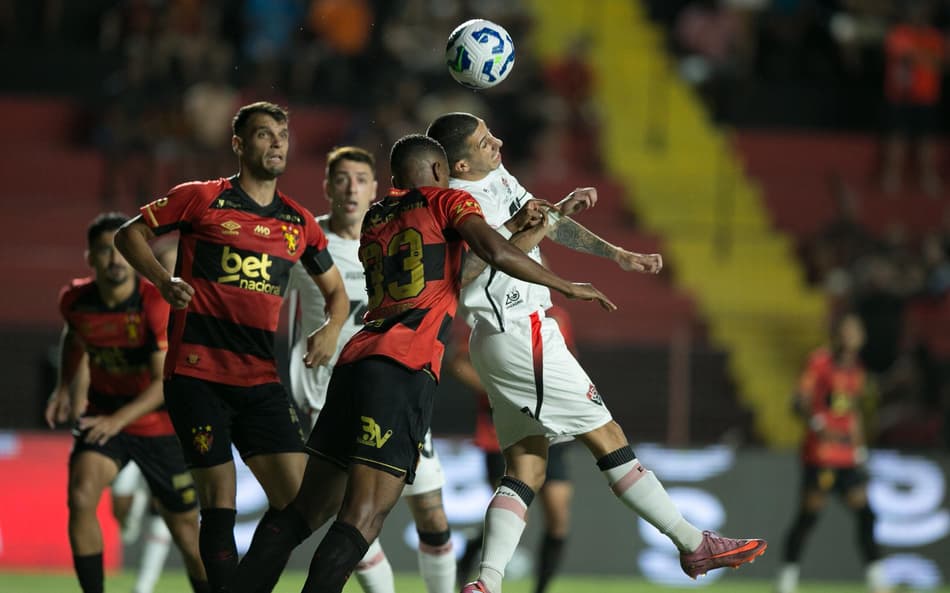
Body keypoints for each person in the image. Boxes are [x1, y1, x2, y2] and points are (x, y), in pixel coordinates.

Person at [227, 133, 614, 593]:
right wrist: (566, 284)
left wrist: (534, 223)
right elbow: (492, 254)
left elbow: (462, 269)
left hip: (355, 361)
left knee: (303, 512)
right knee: (363, 516)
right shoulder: (447, 201)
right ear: (437, 172)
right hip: (401, 368)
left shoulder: (377, 216)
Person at [426, 112, 768, 593]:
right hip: (518, 329)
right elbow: (465, 277)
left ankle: (486, 583)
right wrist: (534, 244)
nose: (498, 141)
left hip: (505, 337)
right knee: (606, 433)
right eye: (485, 142)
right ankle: (692, 543)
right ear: (460, 164)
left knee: (527, 468)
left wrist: (615, 253)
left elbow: (541, 225)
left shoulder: (497, 175)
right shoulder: (457, 206)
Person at [113, 101, 350, 593]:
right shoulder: (200, 199)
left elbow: (337, 295)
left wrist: (330, 328)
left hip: (260, 379)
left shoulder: (300, 223)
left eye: (282, 134)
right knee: (219, 500)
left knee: (305, 500)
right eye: (265, 135)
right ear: (239, 144)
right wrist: (163, 279)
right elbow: (129, 234)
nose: (278, 143)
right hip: (197, 376)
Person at [284, 145, 456, 593]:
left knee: (432, 513)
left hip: (396, 381)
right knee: (353, 513)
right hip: (328, 395)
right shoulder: (307, 244)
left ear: (376, 187)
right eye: (341, 178)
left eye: (361, 178)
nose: (351, 188)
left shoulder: (404, 234)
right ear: (327, 186)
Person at [44, 212, 209, 593]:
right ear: (91, 258)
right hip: (104, 415)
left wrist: (116, 421)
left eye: (121, 251)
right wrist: (64, 387)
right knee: (81, 494)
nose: (115, 260)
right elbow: (75, 339)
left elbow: (161, 385)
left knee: (186, 532)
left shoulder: (153, 303)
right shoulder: (75, 300)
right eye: (105, 252)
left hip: (160, 426)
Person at [450, 304, 577, 593]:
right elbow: (459, 365)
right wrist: (502, 387)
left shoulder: (557, 316)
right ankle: (470, 559)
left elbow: (565, 362)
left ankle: (541, 589)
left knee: (558, 516)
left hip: (548, 427)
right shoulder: (486, 312)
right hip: (499, 431)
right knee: (517, 512)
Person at [775, 313, 888, 593]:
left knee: (867, 514)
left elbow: (853, 413)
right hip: (821, 455)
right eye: (847, 330)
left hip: (847, 457)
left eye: (855, 331)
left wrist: (860, 449)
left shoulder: (857, 370)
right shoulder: (819, 362)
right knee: (808, 517)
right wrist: (817, 424)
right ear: (837, 334)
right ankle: (786, 581)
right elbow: (798, 401)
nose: (851, 336)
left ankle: (877, 582)